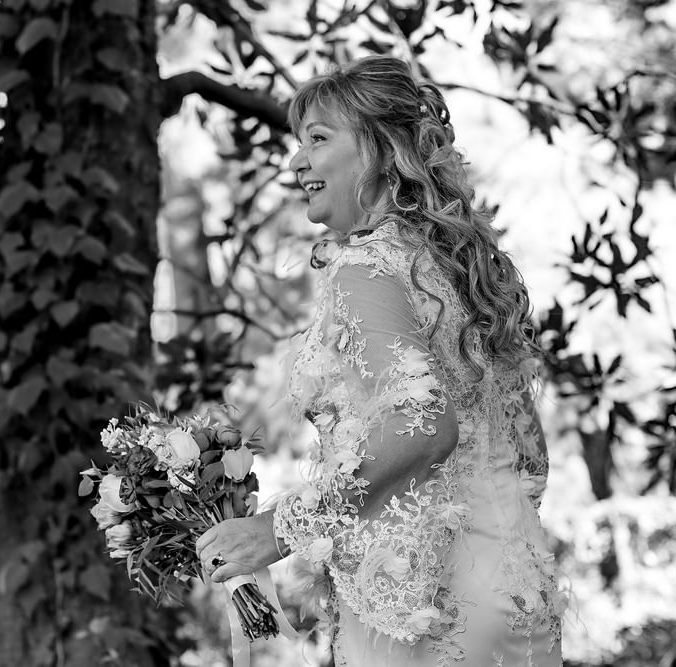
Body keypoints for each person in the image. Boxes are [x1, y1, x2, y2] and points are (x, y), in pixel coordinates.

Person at [195, 56, 565, 666]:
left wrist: (277, 527)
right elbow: (528, 454)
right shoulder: (456, 271)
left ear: (379, 149)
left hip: (427, 610)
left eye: (318, 139)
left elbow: (424, 423)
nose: (298, 162)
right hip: (514, 580)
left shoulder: (367, 267)